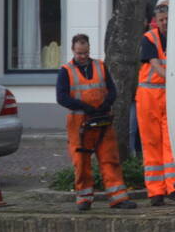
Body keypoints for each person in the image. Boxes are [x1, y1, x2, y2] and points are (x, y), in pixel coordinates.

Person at [56, 34, 137, 211]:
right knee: (81, 162)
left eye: (85, 53)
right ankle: (84, 199)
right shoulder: (66, 71)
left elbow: (112, 90)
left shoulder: (100, 66)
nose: (83, 56)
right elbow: (61, 97)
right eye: (79, 53)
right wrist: (85, 107)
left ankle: (118, 198)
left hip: (102, 120)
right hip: (79, 123)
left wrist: (105, 105)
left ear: (89, 49)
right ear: (73, 50)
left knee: (110, 159)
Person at [137, 0, 175, 206]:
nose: (165, 23)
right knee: (151, 143)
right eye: (161, 19)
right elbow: (155, 65)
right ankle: (155, 191)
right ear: (156, 20)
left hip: (169, 97)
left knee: (170, 144)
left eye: (167, 19)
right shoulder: (149, 38)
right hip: (149, 98)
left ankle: (173, 188)